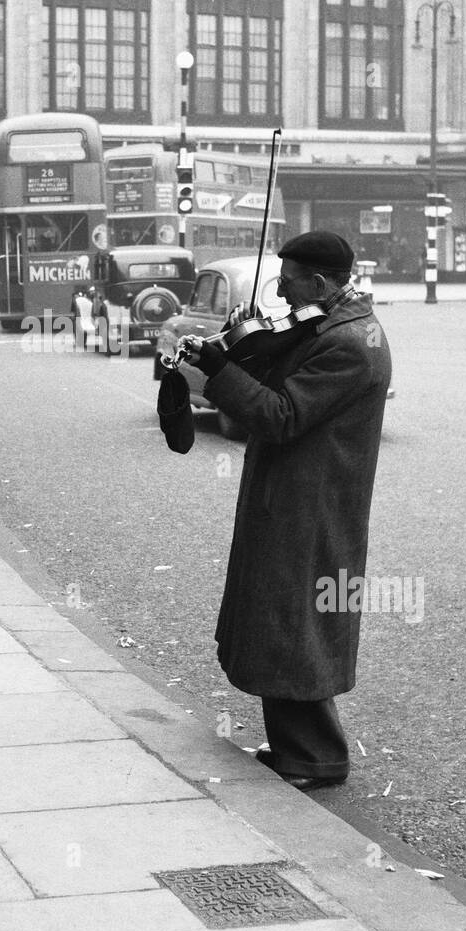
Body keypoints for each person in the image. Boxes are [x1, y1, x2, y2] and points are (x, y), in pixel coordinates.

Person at [177, 230, 393, 792]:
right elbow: (284, 381)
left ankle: (316, 757)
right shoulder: (331, 325)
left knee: (295, 623)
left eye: (289, 283)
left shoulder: (347, 344)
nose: (283, 296)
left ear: (320, 283)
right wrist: (233, 354)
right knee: (284, 620)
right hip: (299, 497)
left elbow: (279, 414)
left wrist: (220, 376)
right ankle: (298, 748)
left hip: (311, 506)